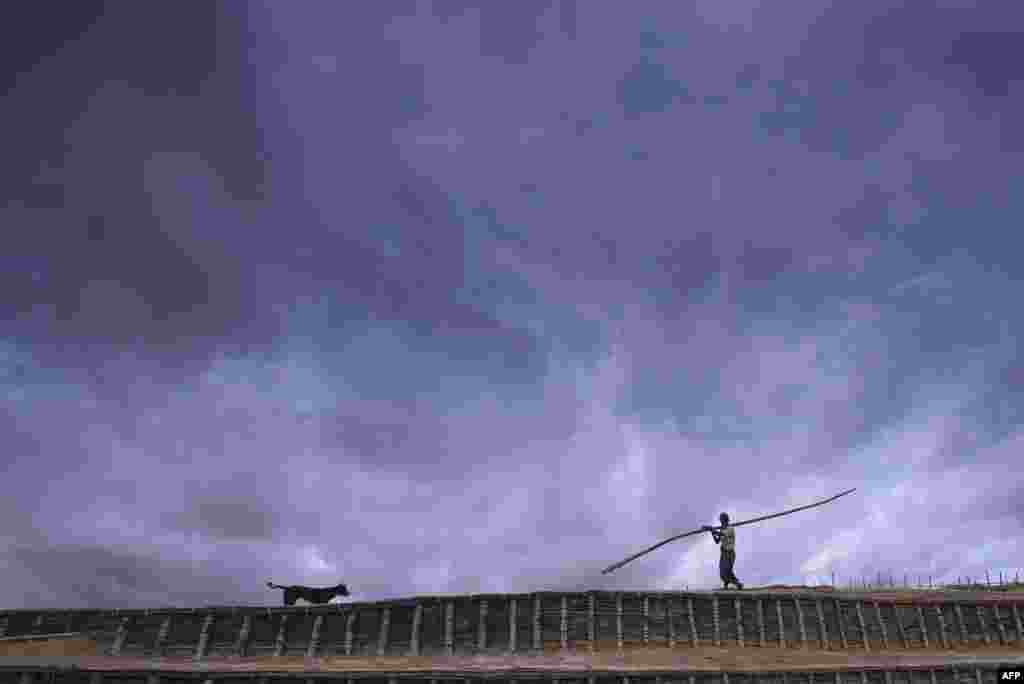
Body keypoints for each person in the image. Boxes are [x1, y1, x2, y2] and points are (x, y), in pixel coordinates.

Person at [703, 513, 743, 590]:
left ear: (725, 521)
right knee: (722, 572)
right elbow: (717, 541)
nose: (721, 523)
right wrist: (712, 532)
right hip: (724, 553)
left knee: (727, 570)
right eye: (721, 521)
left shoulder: (730, 529)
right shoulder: (722, 529)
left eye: (722, 521)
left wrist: (711, 529)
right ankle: (727, 585)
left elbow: (721, 534)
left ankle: (737, 584)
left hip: (730, 553)